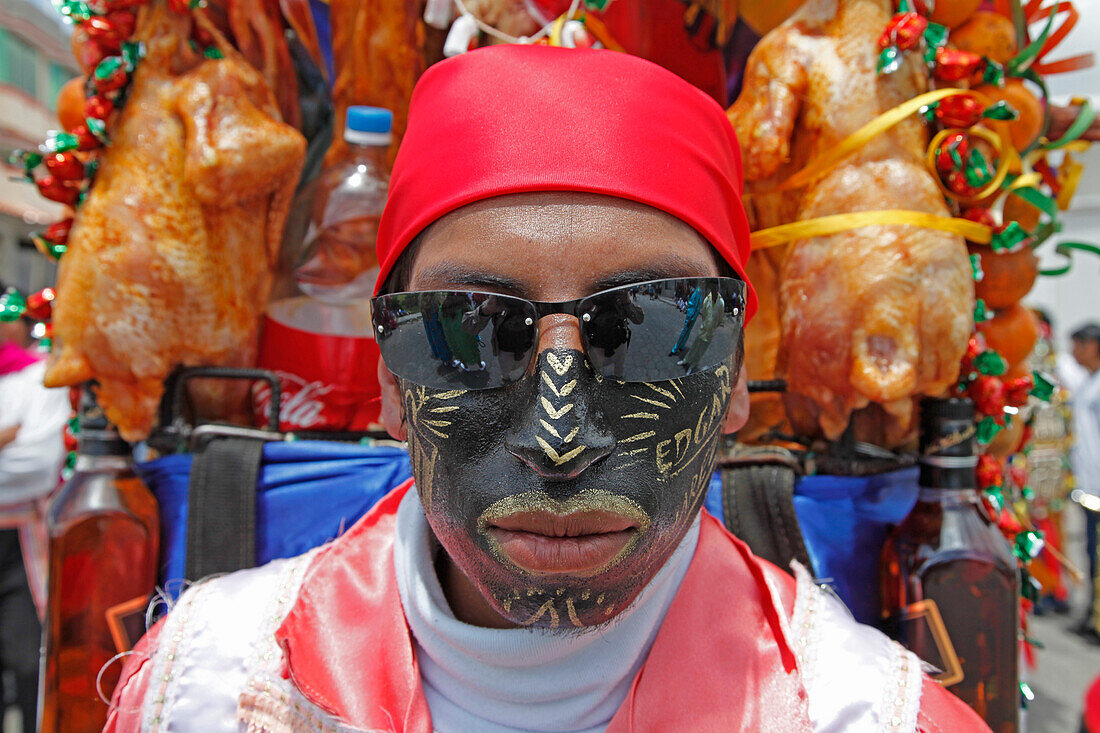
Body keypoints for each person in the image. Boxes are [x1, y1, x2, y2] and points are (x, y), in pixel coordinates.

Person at [106, 46, 986, 732]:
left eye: (650, 324)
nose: (557, 437)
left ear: (737, 383)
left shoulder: (866, 712)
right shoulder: (209, 687)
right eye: (469, 326)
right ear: (385, 381)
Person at [0, 290, 71, 733]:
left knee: (29, 661)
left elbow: (38, 465)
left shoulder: (42, 379)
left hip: (21, 542)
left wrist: (14, 443)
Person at [1070, 322, 1100, 640]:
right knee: (1092, 553)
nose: (1074, 352)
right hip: (1089, 486)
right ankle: (1093, 615)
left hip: (1098, 485)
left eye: (1079, 345)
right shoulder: (1088, 382)